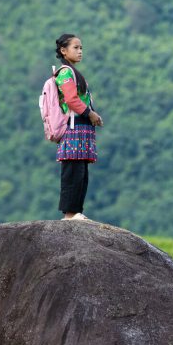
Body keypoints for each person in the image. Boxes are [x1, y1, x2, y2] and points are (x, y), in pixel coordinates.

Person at [54, 34, 103, 220]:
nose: (80, 51)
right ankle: (70, 213)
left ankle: (76, 212)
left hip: (81, 128)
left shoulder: (73, 72)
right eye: (76, 48)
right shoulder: (65, 72)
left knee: (81, 172)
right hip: (73, 127)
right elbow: (71, 99)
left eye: (81, 48)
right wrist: (90, 113)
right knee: (73, 170)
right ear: (63, 51)